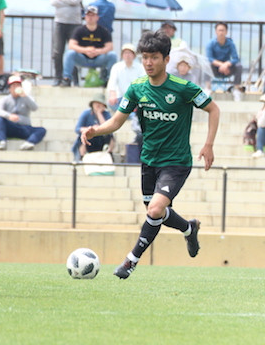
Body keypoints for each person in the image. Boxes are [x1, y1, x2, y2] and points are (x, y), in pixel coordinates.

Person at [80, 30, 220, 280]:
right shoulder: (136, 89)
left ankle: (130, 261)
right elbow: (116, 122)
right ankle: (189, 228)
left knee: (155, 210)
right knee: (156, 213)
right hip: (149, 161)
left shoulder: (183, 88)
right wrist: (95, 131)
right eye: (145, 57)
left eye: (154, 57)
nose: (148, 63)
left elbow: (214, 109)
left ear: (166, 59)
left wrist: (208, 145)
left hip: (176, 162)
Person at [62, 5, 117, 86]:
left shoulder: (104, 31)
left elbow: (110, 47)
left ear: (97, 17)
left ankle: (109, 80)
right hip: (83, 58)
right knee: (69, 53)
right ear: (85, 17)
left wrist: (98, 51)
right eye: (88, 15)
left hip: (98, 58)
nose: (90, 17)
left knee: (112, 55)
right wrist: (85, 50)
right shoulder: (79, 30)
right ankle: (66, 79)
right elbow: (71, 45)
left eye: (93, 15)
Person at [50, 0, 83, 86]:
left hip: (75, 24)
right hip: (60, 22)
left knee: (73, 52)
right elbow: (53, 1)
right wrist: (69, 0)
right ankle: (58, 77)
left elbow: (76, 1)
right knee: (57, 52)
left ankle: (74, 79)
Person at [0, 75, 46, 150]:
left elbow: (35, 108)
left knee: (41, 130)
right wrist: (9, 116)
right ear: (9, 88)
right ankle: (2, 141)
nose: (16, 87)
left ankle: (29, 143)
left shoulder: (27, 98)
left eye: (18, 85)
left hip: (24, 127)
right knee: (0, 120)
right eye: (13, 85)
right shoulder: (5, 99)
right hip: (11, 126)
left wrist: (25, 96)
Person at [206, 22, 243, 101]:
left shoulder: (230, 44)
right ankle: (208, 88)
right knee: (206, 65)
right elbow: (209, 58)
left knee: (239, 66)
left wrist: (226, 64)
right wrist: (221, 65)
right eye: (219, 30)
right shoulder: (210, 44)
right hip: (215, 69)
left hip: (228, 70)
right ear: (216, 31)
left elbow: (235, 58)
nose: (221, 32)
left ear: (226, 32)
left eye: (223, 30)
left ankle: (236, 89)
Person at [72, 94, 114, 161]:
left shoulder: (106, 114)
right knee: (82, 136)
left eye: (100, 103)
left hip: (101, 139)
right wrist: (90, 129)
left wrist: (99, 114)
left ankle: (109, 154)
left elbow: (108, 128)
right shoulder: (86, 113)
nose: (98, 105)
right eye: (96, 103)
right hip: (89, 138)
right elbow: (77, 128)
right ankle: (82, 156)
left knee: (111, 136)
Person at [106, 43, 145, 110]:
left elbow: (143, 84)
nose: (127, 55)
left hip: (135, 98)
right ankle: (131, 115)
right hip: (121, 98)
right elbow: (112, 83)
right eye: (125, 53)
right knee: (111, 103)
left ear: (134, 55)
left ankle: (128, 114)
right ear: (122, 55)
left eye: (130, 53)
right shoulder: (116, 67)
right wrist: (112, 95)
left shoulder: (140, 67)